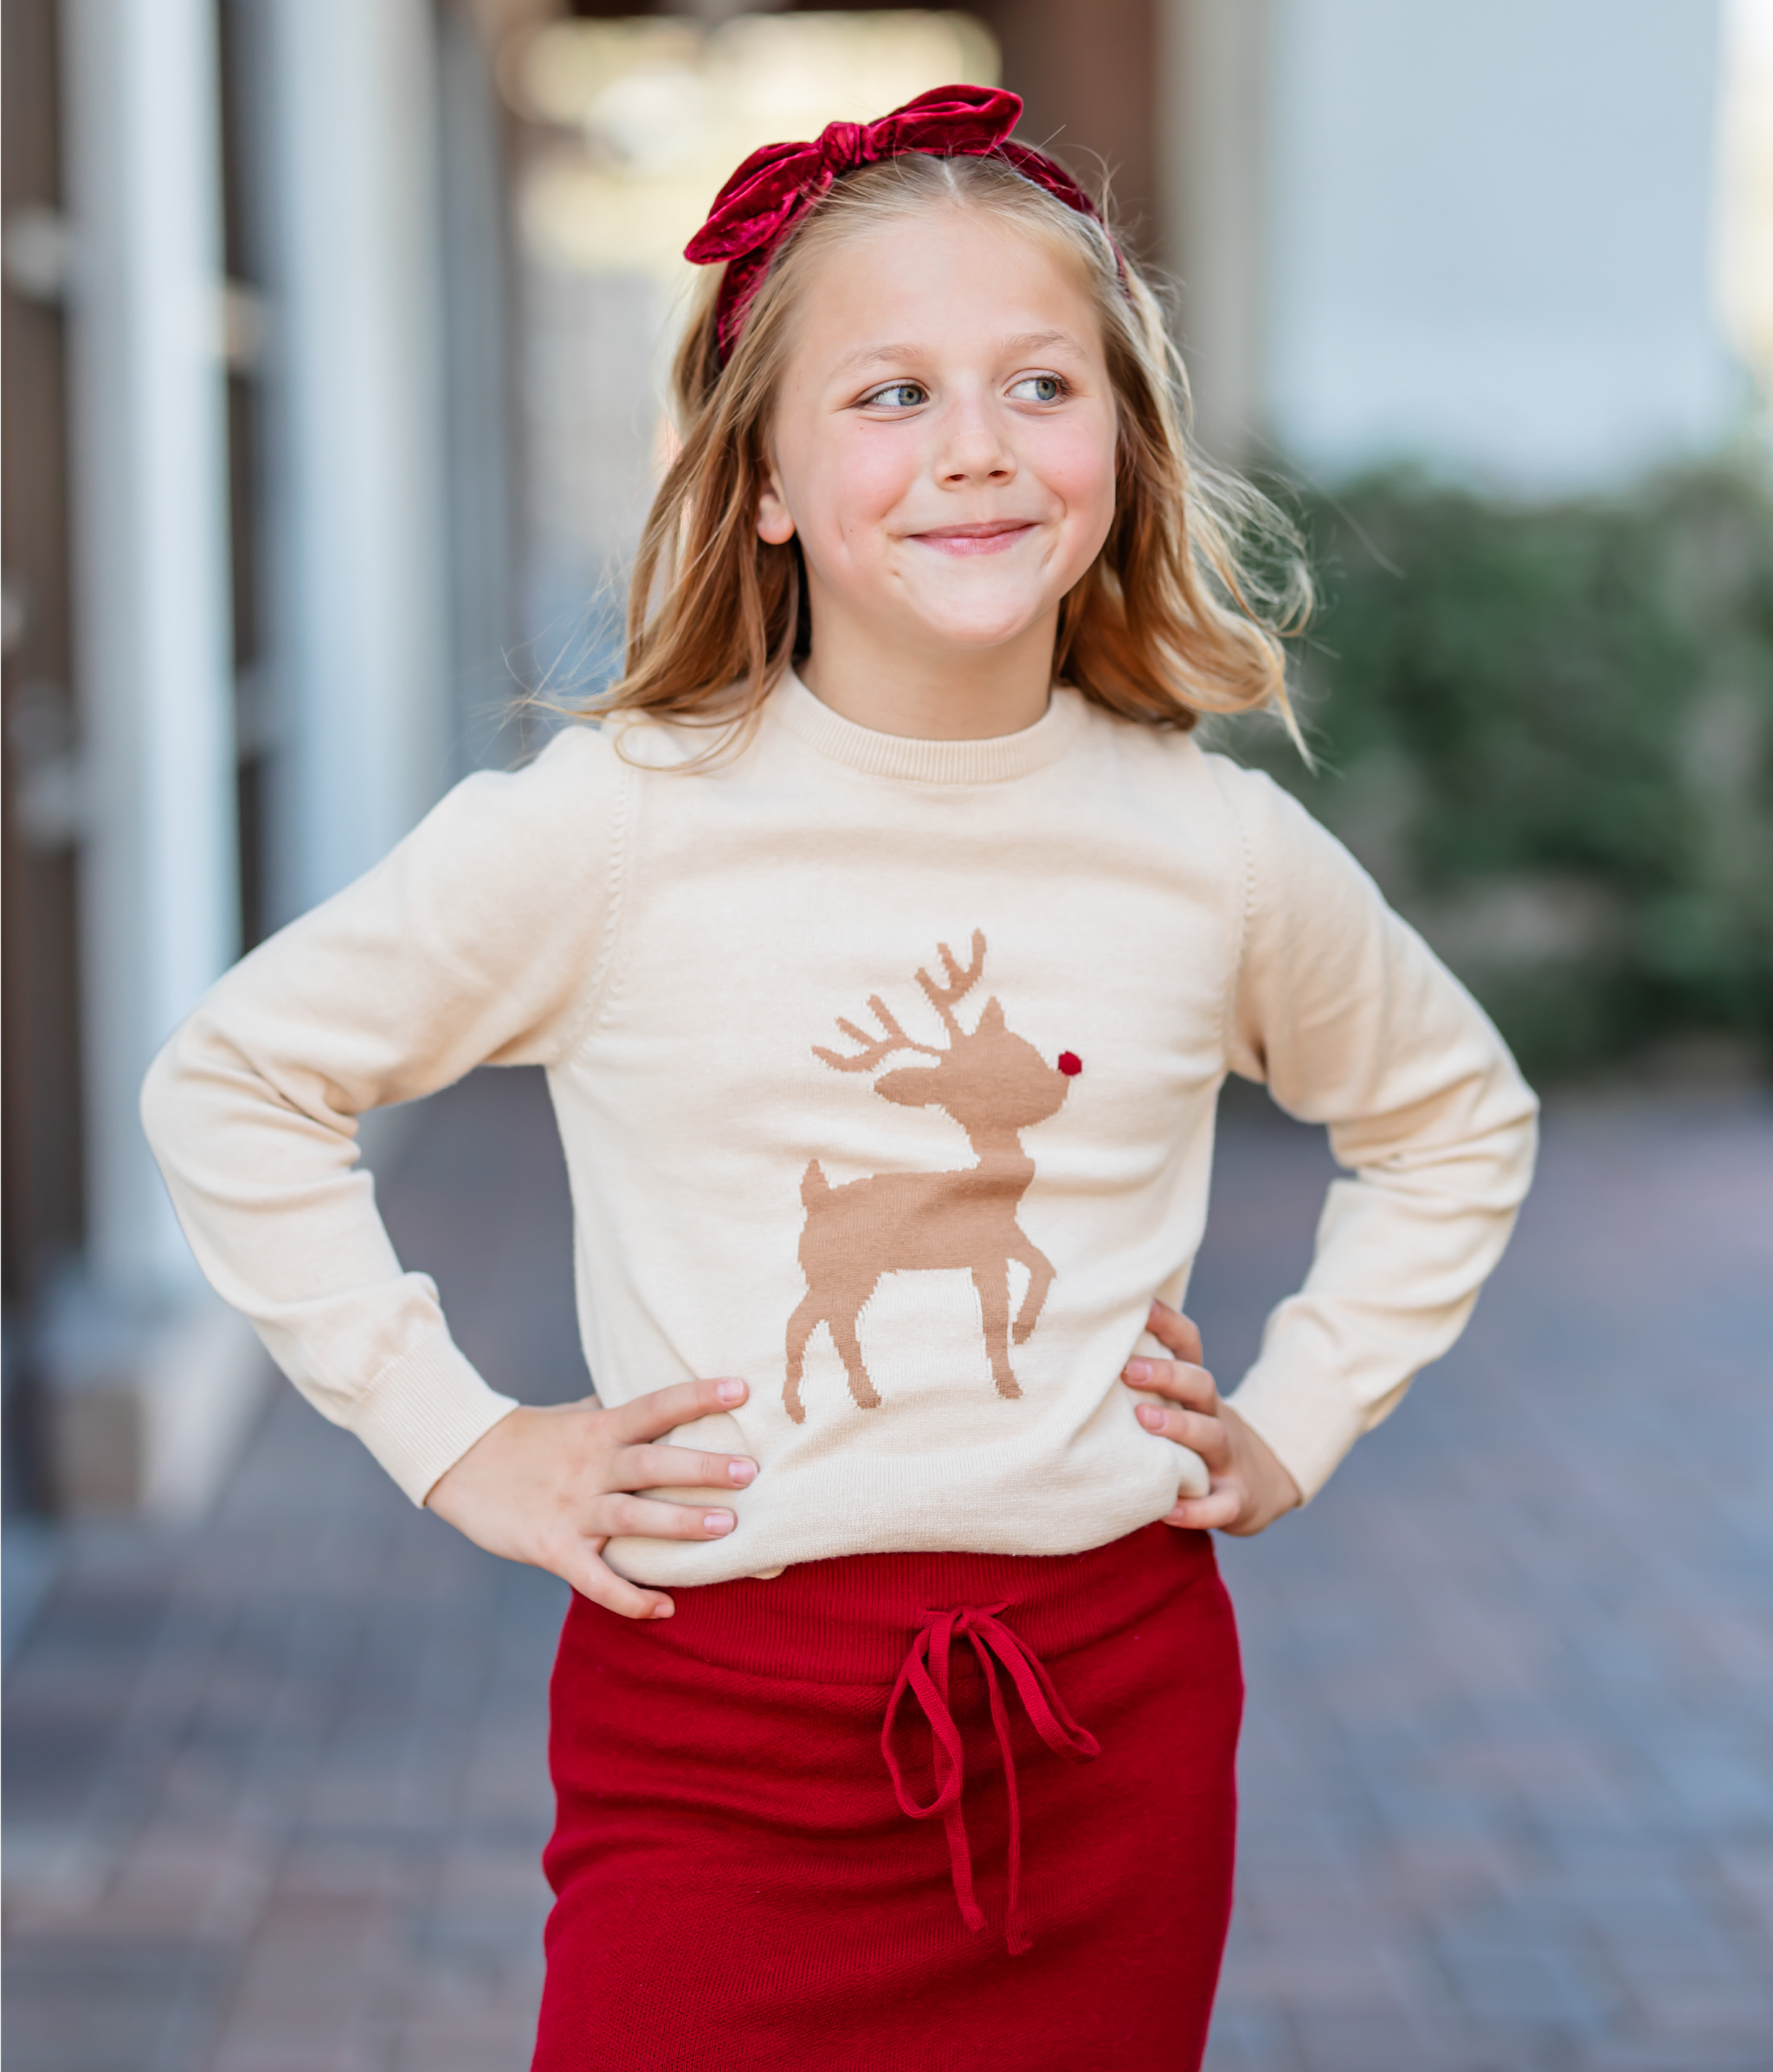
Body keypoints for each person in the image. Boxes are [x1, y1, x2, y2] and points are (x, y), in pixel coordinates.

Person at [142, 85, 1537, 2072]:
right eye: (889, 393)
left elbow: (1449, 1115)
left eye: (1038, 383)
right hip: (712, 1733)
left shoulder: (1212, 851)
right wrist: (454, 1432)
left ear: (1123, 452)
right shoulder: (618, 827)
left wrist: (1296, 1410)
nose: (973, 446)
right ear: (768, 478)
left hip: (1110, 1720)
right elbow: (239, 1079)